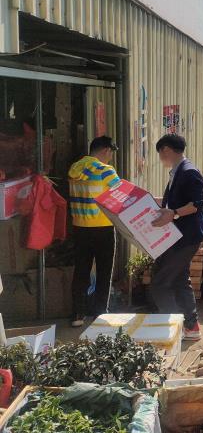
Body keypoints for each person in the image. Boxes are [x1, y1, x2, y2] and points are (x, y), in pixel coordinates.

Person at [150, 134, 203, 340]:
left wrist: (173, 214)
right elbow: (177, 201)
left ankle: (174, 327)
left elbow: (198, 203)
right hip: (181, 236)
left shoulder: (189, 172)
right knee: (180, 280)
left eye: (159, 153)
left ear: (166, 150)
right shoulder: (178, 172)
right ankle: (191, 327)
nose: (160, 158)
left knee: (160, 284)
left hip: (186, 238)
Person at [68, 136, 121, 327]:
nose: (111, 158)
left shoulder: (75, 169)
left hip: (80, 227)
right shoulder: (105, 171)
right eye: (111, 153)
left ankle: (77, 315)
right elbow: (122, 195)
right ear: (106, 150)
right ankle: (100, 313)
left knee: (81, 271)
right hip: (103, 227)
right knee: (104, 272)